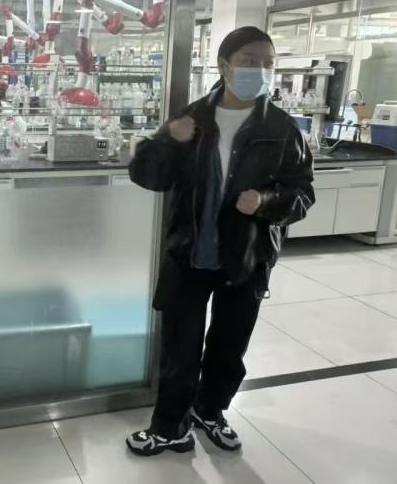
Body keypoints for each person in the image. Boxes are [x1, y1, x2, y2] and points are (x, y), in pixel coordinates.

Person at [125, 26, 315, 456]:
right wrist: (168, 143)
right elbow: (147, 176)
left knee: (229, 348)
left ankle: (210, 411)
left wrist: (265, 201)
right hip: (189, 254)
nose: (260, 70)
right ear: (225, 65)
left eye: (268, 63)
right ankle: (169, 426)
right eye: (250, 61)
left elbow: (302, 193)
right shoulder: (191, 118)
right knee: (180, 349)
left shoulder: (283, 129)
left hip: (246, 257)